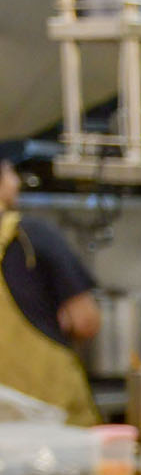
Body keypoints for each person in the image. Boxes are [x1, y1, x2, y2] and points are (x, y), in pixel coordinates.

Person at [0, 155, 102, 425]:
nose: (16, 182)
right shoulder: (31, 234)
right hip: (49, 412)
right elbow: (85, 321)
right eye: (10, 173)